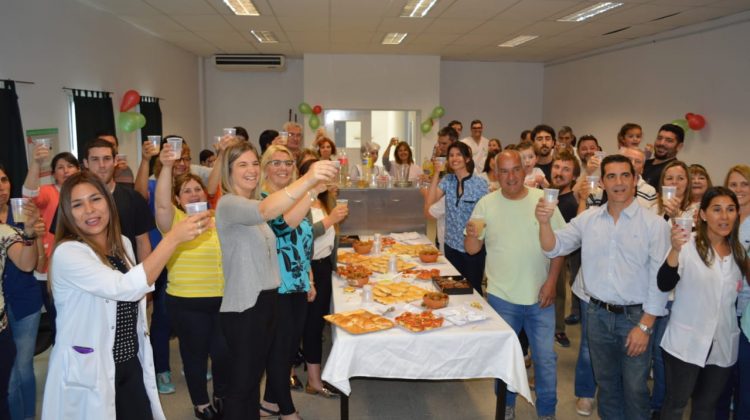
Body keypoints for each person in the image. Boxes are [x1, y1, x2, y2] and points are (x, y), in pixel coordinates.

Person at [42, 171, 209, 419]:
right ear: (67, 213)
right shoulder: (68, 252)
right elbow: (125, 288)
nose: (89, 210)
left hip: (129, 360)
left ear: (108, 202)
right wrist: (172, 239)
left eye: (95, 199)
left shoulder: (121, 243)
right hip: (92, 365)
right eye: (78, 204)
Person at [537, 154, 671, 420]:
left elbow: (660, 281)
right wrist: (543, 223)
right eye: (611, 176)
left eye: (625, 175)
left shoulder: (654, 225)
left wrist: (645, 326)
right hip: (596, 315)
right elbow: (554, 246)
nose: (618, 182)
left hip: (635, 317)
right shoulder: (589, 219)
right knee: (607, 384)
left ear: (634, 180)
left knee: (634, 387)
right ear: (602, 183)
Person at [215, 141, 336, 420]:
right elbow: (270, 213)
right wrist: (308, 179)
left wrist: (305, 278)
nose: (251, 170)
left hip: (267, 302)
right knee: (242, 386)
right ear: (228, 171)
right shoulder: (229, 204)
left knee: (251, 386)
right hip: (245, 307)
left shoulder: (254, 203)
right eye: (242, 165)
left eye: (254, 163)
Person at [465, 150, 564, 420]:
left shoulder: (543, 201)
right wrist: (472, 235)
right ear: (496, 174)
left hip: (539, 296)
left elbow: (559, 247)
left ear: (524, 170)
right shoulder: (486, 204)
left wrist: (552, 282)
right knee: (506, 360)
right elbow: (472, 249)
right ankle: (505, 406)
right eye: (504, 171)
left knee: (545, 360)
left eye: (515, 169)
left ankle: (547, 412)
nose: (510, 176)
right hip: (502, 297)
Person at [657, 187, 748, 420]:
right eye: (716, 210)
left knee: (705, 407)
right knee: (675, 404)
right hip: (686, 342)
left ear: (737, 214)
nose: (724, 216)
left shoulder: (739, 253)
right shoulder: (687, 244)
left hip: (723, 342)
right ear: (703, 215)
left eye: (730, 210)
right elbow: (664, 282)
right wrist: (675, 250)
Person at [154, 145, 229, 419]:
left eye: (197, 189)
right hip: (187, 301)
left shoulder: (217, 218)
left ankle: (221, 394)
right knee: (194, 355)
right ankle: (201, 403)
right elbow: (161, 203)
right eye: (186, 191)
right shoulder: (173, 221)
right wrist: (165, 166)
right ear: (178, 198)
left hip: (222, 298)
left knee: (222, 352)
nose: (194, 194)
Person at [258, 145, 318, 420]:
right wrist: (311, 190)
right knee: (280, 352)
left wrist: (309, 278)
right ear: (265, 167)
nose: (283, 168)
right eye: (276, 162)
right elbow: (284, 227)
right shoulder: (262, 199)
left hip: (297, 283)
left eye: (288, 162)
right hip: (274, 286)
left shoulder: (298, 197)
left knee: (289, 346)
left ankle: (270, 402)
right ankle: (287, 410)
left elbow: (304, 242)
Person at [297, 159, 348, 398]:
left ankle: (313, 379)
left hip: (323, 265)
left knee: (315, 324)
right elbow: (303, 234)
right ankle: (312, 380)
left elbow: (332, 237)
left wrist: (336, 265)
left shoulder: (327, 198)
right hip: (307, 267)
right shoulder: (299, 201)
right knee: (305, 326)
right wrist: (330, 219)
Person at [23, 148, 80, 340]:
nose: (65, 170)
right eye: (60, 167)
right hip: (50, 267)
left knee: (79, 319)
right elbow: (29, 195)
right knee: (59, 320)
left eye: (70, 165)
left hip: (79, 265)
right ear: (53, 173)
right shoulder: (48, 192)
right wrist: (37, 163)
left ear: (78, 169)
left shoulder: (84, 192)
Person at [1, 166, 44, 420]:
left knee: (22, 369)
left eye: (4, 179)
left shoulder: (22, 213)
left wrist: (33, 232)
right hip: (1, 306)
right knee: (8, 373)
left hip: (24, 301)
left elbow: (37, 264)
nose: (1, 186)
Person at [426, 141, 488, 293]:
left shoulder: (480, 184)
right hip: (451, 245)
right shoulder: (448, 180)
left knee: (473, 291)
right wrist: (436, 173)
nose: (454, 158)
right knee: (451, 289)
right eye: (451, 155)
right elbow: (431, 201)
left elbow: (488, 214)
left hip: (472, 248)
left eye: (458, 155)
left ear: (467, 159)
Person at [717, 164, 750, 419]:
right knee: (721, 374)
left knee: (743, 375)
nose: (738, 189)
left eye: (745, 184)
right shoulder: (724, 217)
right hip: (722, 304)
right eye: (734, 184)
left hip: (746, 310)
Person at [549, 150, 581, 349]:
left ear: (574, 176)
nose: (559, 173)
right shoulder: (543, 194)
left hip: (560, 254)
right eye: (557, 167)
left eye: (566, 170)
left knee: (558, 292)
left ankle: (558, 329)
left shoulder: (573, 201)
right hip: (540, 250)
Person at [642, 123, 684, 188]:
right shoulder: (645, 163)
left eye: (669, 140)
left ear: (679, 146)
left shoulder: (674, 170)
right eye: (659, 138)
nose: (661, 143)